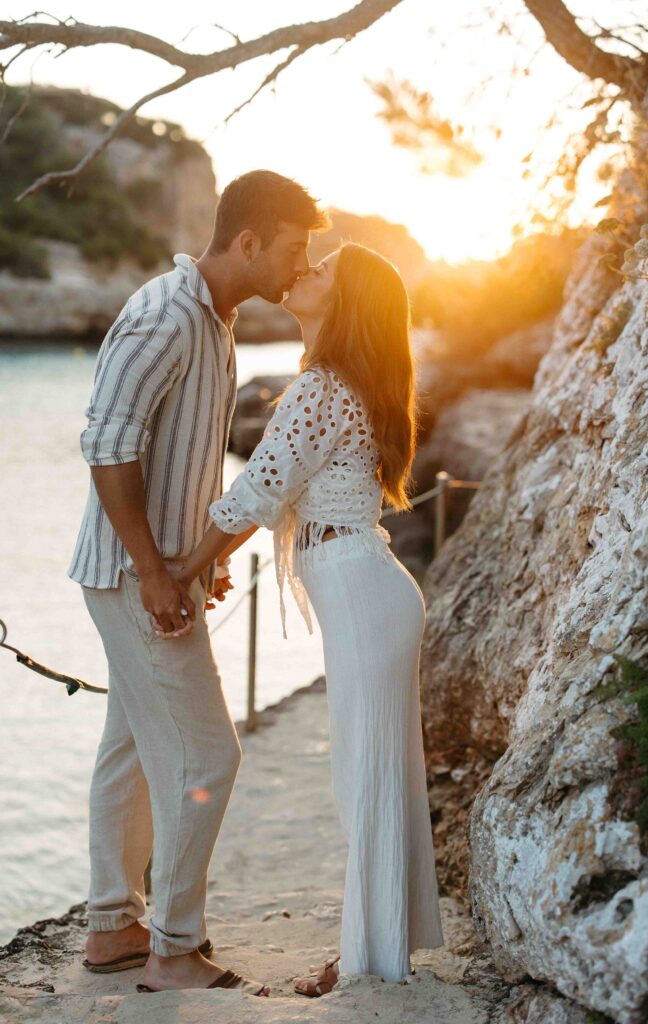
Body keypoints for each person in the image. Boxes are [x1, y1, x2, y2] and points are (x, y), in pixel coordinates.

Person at [68, 170, 328, 995]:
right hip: (131, 572)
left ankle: (113, 926)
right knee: (207, 752)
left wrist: (201, 561)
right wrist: (152, 571)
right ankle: (173, 948)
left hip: (160, 572)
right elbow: (107, 446)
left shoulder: (214, 322)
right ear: (247, 241)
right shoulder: (163, 316)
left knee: (132, 751)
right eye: (291, 249)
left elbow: (181, 464)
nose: (299, 265)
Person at [171, 242, 445, 994]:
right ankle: (378, 949)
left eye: (322, 268)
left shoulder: (325, 387)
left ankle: (367, 961)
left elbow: (258, 491)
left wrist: (181, 569)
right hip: (367, 587)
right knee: (373, 773)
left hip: (363, 589)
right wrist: (216, 559)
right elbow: (274, 496)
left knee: (366, 777)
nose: (304, 270)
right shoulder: (337, 382)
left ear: (345, 300)